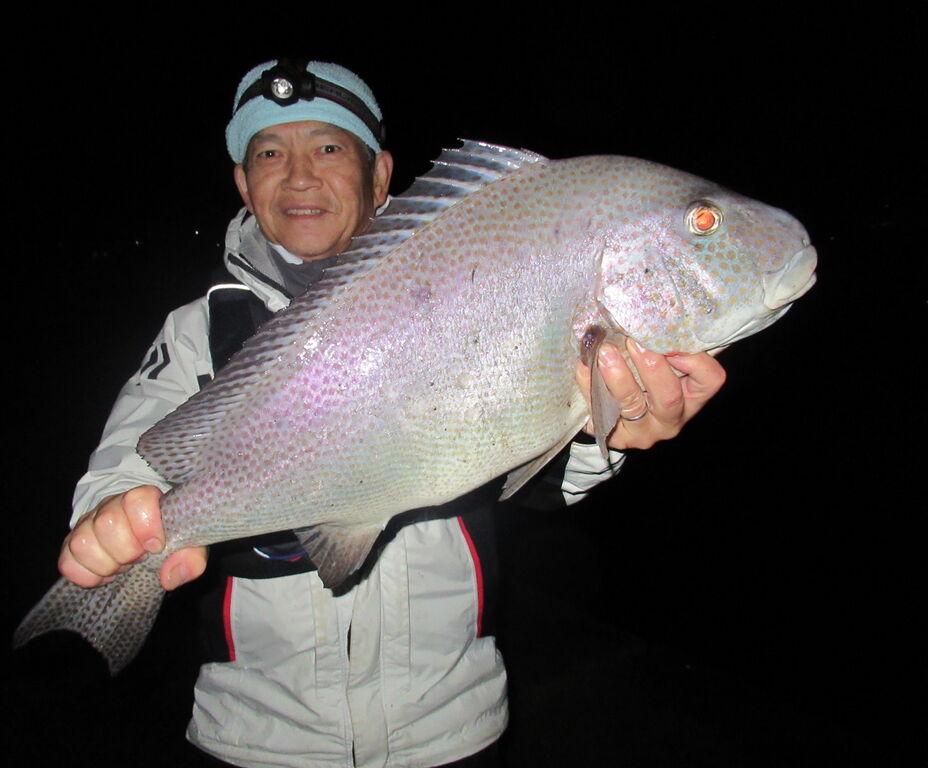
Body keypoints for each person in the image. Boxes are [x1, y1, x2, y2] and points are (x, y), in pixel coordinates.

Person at [58, 60, 726, 767]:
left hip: (452, 730)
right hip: (255, 739)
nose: (299, 175)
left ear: (379, 177)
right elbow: (137, 454)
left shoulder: (479, 277)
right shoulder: (204, 327)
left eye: (327, 147)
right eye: (269, 153)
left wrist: (605, 432)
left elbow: (538, 480)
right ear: (242, 184)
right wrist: (113, 520)